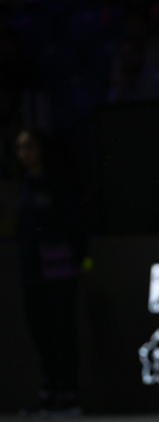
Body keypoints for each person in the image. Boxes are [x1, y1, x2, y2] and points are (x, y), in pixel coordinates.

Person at [15, 129, 85, 418]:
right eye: (20, 148)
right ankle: (49, 394)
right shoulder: (24, 187)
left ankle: (69, 397)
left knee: (61, 334)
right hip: (32, 275)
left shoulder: (59, 184)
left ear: (42, 148)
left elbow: (75, 226)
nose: (25, 153)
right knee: (41, 335)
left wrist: (82, 260)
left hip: (59, 273)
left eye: (29, 146)